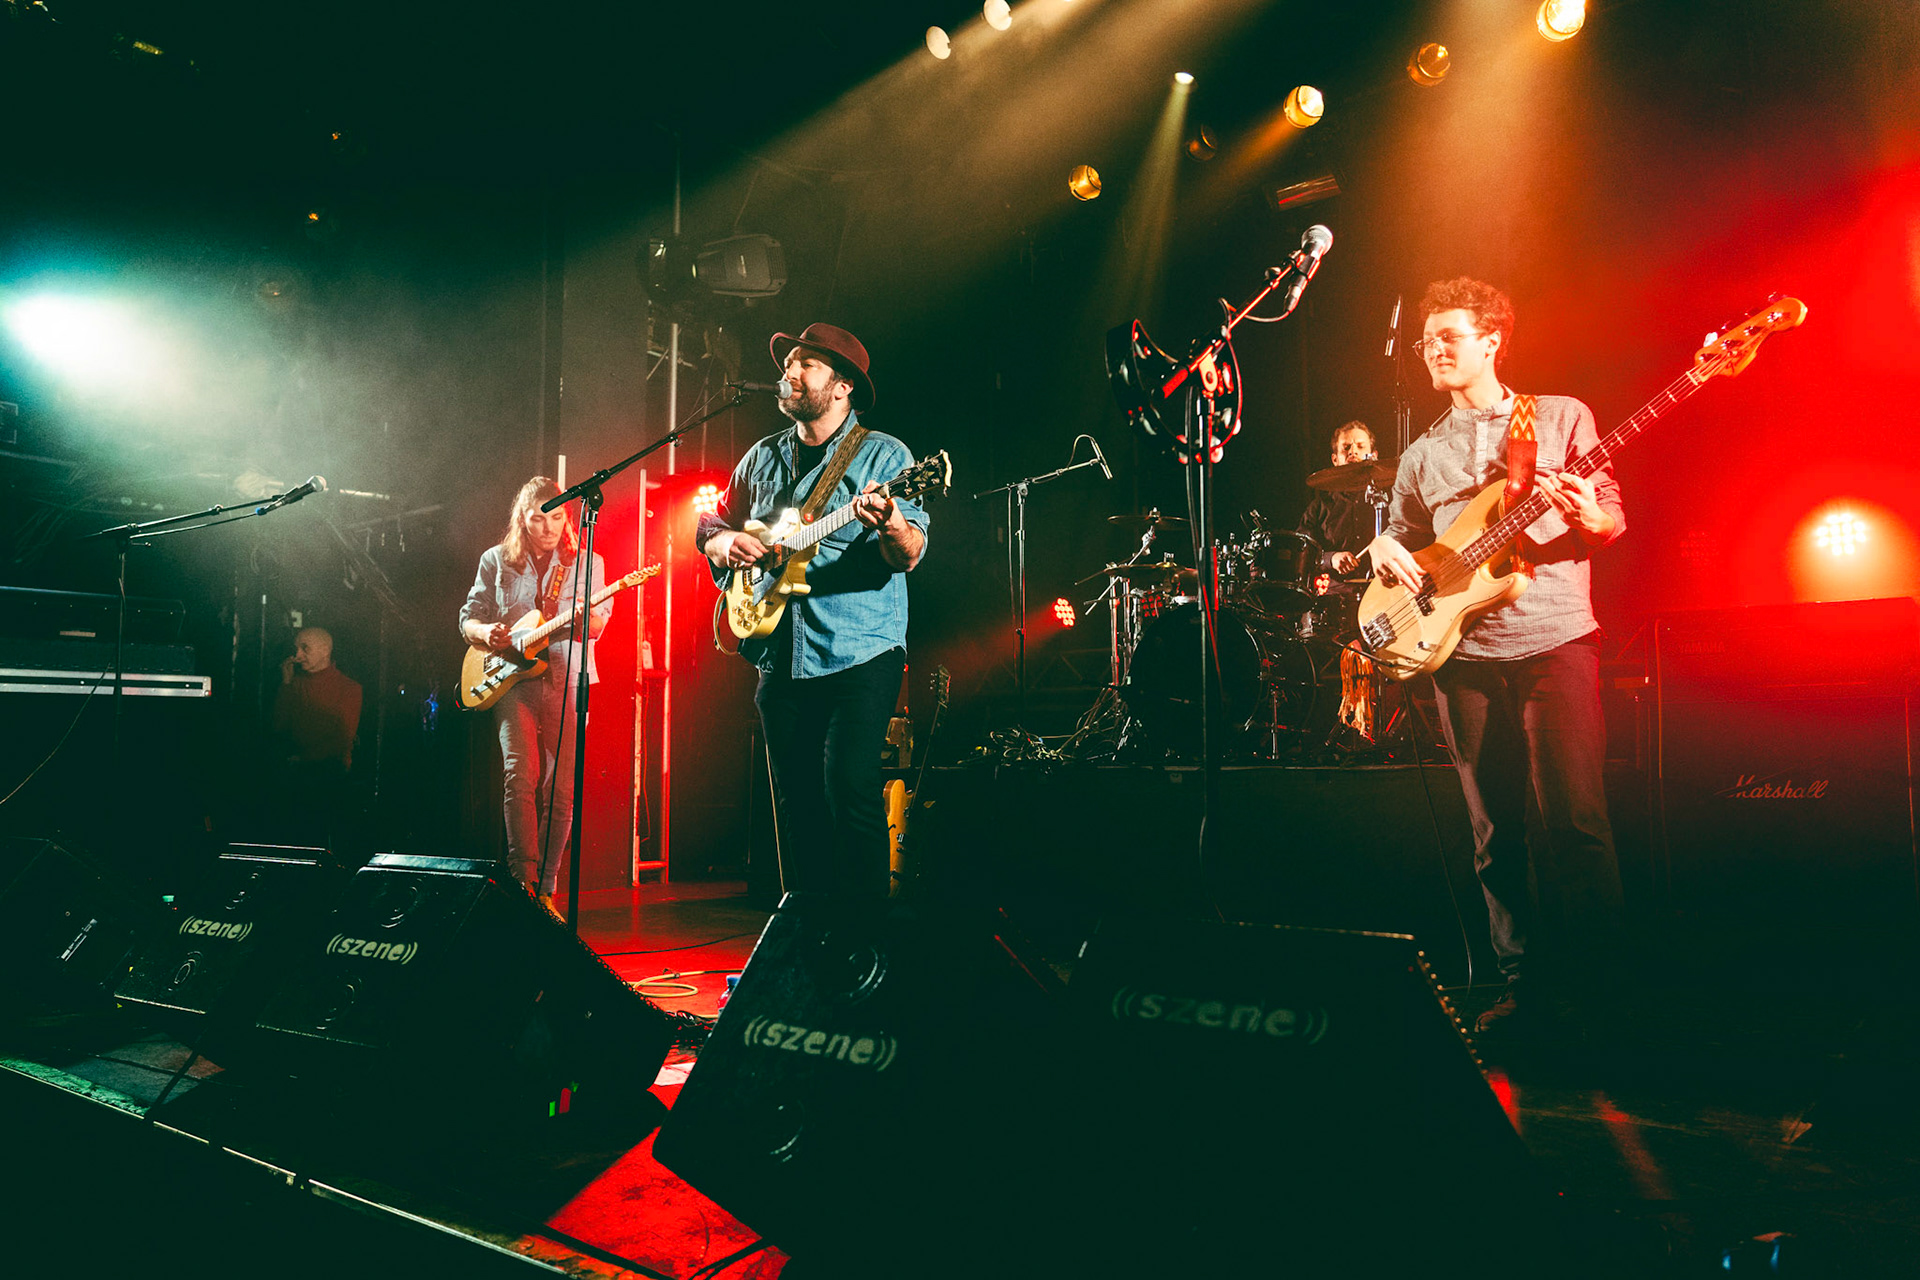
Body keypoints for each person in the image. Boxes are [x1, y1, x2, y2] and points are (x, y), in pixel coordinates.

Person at [1364, 277, 1626, 1036]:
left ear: (1492, 340)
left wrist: (1590, 514)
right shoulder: (1420, 454)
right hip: (1464, 656)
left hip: (1555, 642)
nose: (1433, 351)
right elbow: (1409, 541)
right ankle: (1523, 988)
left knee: (1576, 821)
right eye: (1426, 341)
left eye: (1449, 336)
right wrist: (1381, 544)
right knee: (1494, 835)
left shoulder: (1561, 417)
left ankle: (1602, 991)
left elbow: (1610, 521)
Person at [697, 323, 929, 900]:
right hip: (780, 652)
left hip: (861, 648)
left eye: (806, 364)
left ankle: (866, 942)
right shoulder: (761, 456)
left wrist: (892, 521)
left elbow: (910, 553)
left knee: (848, 785)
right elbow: (713, 521)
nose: (790, 373)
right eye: (789, 363)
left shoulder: (886, 455)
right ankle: (810, 931)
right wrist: (720, 545)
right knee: (794, 800)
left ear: (843, 385)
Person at [459, 477, 610, 914]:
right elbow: (470, 617)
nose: (548, 528)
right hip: (512, 682)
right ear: (522, 519)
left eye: (557, 517)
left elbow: (598, 624)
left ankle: (547, 889)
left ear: (569, 519)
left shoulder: (588, 562)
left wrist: (578, 619)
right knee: (519, 776)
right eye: (539, 519)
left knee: (562, 788)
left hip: (568, 677)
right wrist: (488, 632)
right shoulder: (495, 560)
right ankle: (522, 882)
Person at [1296, 420, 1381, 575]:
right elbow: (1301, 552)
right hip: (1335, 593)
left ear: (1374, 456)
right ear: (1335, 460)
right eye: (1346, 447)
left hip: (1384, 593)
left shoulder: (1387, 503)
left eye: (1360, 446)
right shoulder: (1319, 507)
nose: (1353, 452)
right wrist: (1330, 558)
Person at [274, 626, 362, 772]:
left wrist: (304, 758)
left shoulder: (349, 688)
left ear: (325, 650)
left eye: (305, 649)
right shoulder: (295, 684)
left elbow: (342, 740)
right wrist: (286, 684)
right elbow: (278, 726)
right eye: (296, 649)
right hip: (294, 769)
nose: (297, 655)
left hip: (329, 773)